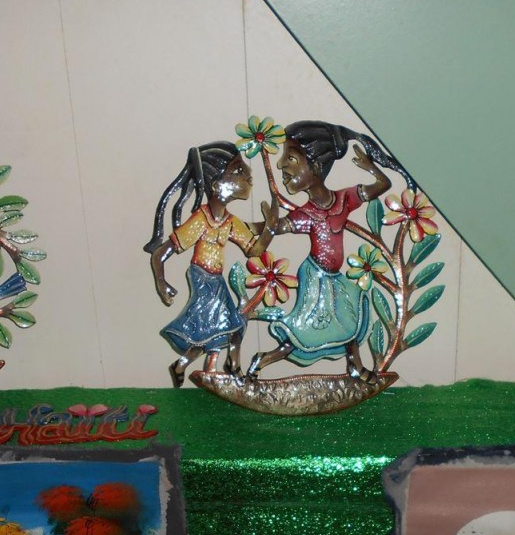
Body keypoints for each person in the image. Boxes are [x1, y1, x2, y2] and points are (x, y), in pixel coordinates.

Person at [247, 120, 411, 380]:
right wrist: (255, 227)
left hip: (334, 278)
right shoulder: (306, 213)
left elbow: (383, 185)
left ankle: (355, 366)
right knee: (305, 331)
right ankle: (262, 360)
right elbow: (277, 227)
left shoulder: (344, 199)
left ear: (315, 166)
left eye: (291, 158)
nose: (280, 165)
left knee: (350, 317)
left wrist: (371, 168)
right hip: (315, 277)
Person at [145, 142, 275, 386]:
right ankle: (231, 367)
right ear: (216, 186)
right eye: (238, 171)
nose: (248, 176)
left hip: (216, 280)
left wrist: (270, 228)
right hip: (202, 278)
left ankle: (184, 364)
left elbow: (254, 250)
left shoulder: (230, 221)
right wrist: (162, 283)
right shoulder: (201, 219)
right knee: (223, 326)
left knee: (222, 329)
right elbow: (160, 253)